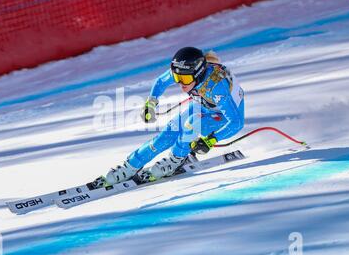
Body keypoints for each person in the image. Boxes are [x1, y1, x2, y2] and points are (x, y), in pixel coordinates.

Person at [94, 47, 245, 188]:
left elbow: (237, 122)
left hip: (223, 115)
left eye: (185, 80)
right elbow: (161, 81)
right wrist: (151, 103)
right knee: (167, 134)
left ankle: (175, 160)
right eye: (177, 77)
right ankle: (130, 165)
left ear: (198, 75)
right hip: (202, 105)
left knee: (192, 124)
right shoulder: (184, 71)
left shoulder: (217, 87)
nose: (180, 83)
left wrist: (212, 140)